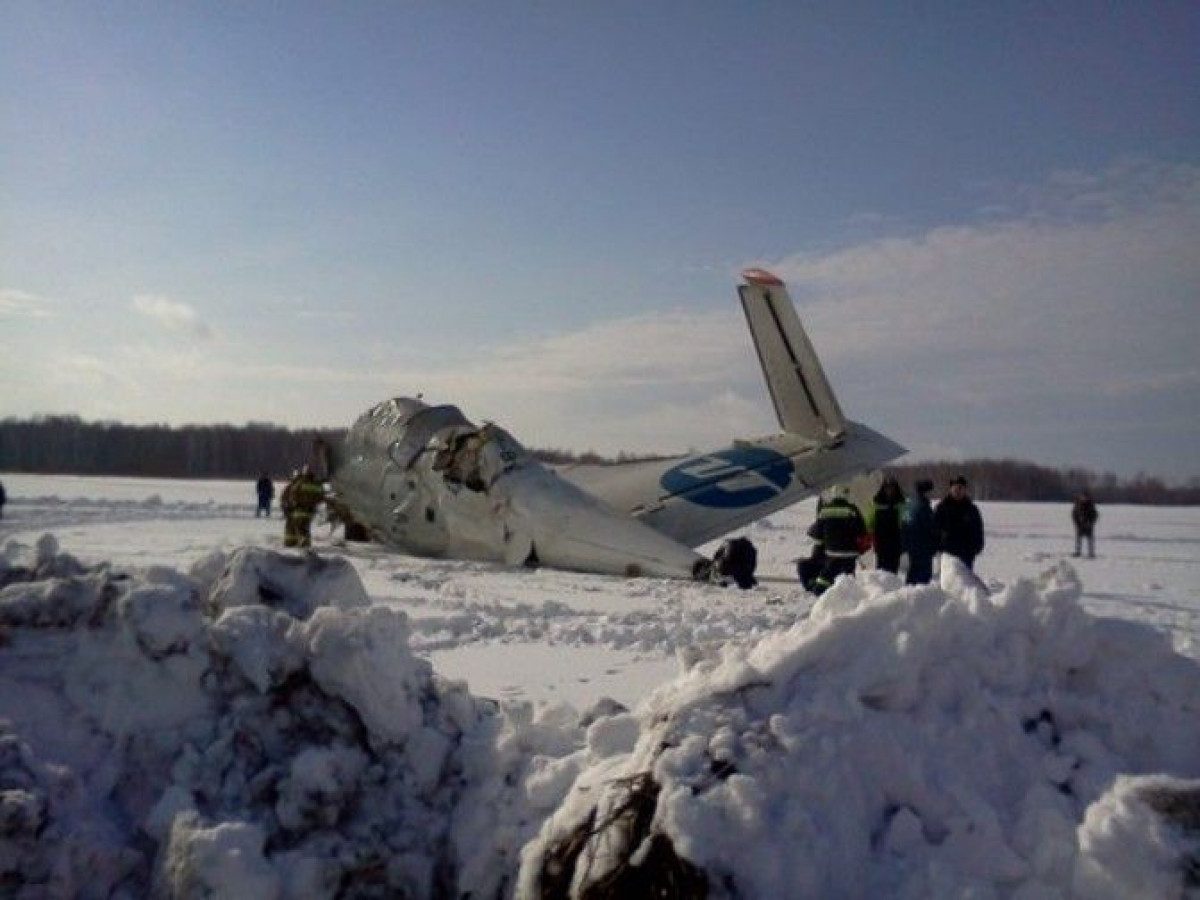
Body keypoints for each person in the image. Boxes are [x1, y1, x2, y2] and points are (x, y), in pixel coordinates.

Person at [805, 485, 867, 595]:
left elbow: (817, 532)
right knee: (848, 575)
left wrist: (818, 548)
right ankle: (847, 596)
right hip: (850, 552)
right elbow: (861, 531)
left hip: (832, 552)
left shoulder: (825, 510)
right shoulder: (852, 509)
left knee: (827, 574)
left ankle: (818, 591)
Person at [934, 475, 985, 570]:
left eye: (961, 488)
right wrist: (938, 546)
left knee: (963, 583)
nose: (958, 491)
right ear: (951, 489)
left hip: (966, 555)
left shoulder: (972, 509)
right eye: (955, 488)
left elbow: (978, 531)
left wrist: (976, 548)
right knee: (947, 582)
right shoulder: (941, 508)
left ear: (965, 490)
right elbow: (934, 530)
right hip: (946, 555)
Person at [867, 475, 906, 573]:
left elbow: (904, 521)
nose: (889, 490)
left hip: (895, 540)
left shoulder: (901, 503)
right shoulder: (876, 502)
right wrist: (870, 535)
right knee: (881, 567)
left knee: (893, 566)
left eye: (892, 487)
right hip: (880, 540)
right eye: (887, 487)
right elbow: (869, 521)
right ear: (883, 488)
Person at [903, 478, 937, 585]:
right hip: (923, 549)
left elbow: (904, 526)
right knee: (921, 581)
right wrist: (934, 545)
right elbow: (931, 529)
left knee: (911, 577)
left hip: (912, 549)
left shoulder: (908, 506)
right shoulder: (923, 508)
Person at [283, 466, 325, 548]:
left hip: (299, 509)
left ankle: (294, 543)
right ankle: (302, 543)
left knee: (297, 526)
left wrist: (290, 505)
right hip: (310, 510)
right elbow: (320, 497)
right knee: (305, 526)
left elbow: (292, 495)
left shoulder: (298, 483)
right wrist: (313, 503)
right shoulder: (317, 484)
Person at [1071, 490, 1099, 558]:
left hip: (1089, 525)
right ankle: (1078, 552)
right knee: (1078, 539)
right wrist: (1077, 523)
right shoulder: (1077, 505)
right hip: (1080, 525)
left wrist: (1091, 523)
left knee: (1090, 539)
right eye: (1082, 497)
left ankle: (1091, 553)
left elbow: (1095, 515)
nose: (1083, 498)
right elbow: (1074, 515)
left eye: (1085, 497)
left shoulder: (1091, 505)